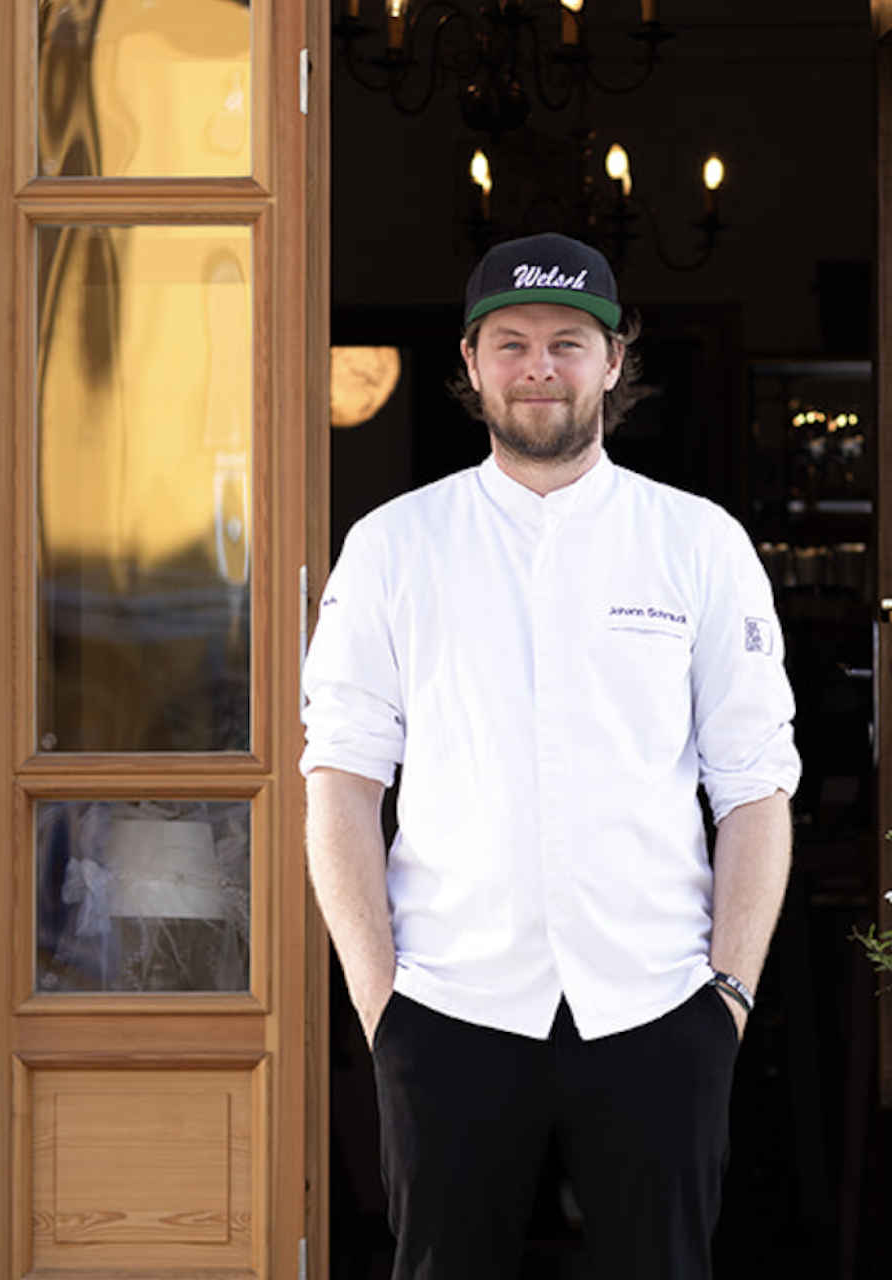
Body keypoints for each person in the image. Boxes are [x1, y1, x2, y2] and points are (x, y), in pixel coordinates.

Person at [301, 231, 799, 1280]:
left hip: (658, 1001)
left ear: (614, 361)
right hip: (449, 1003)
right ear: (472, 362)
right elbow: (341, 781)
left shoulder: (697, 543)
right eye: (513, 343)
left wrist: (729, 998)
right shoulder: (393, 546)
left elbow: (755, 788)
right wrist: (380, 1002)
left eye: (568, 342)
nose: (540, 367)